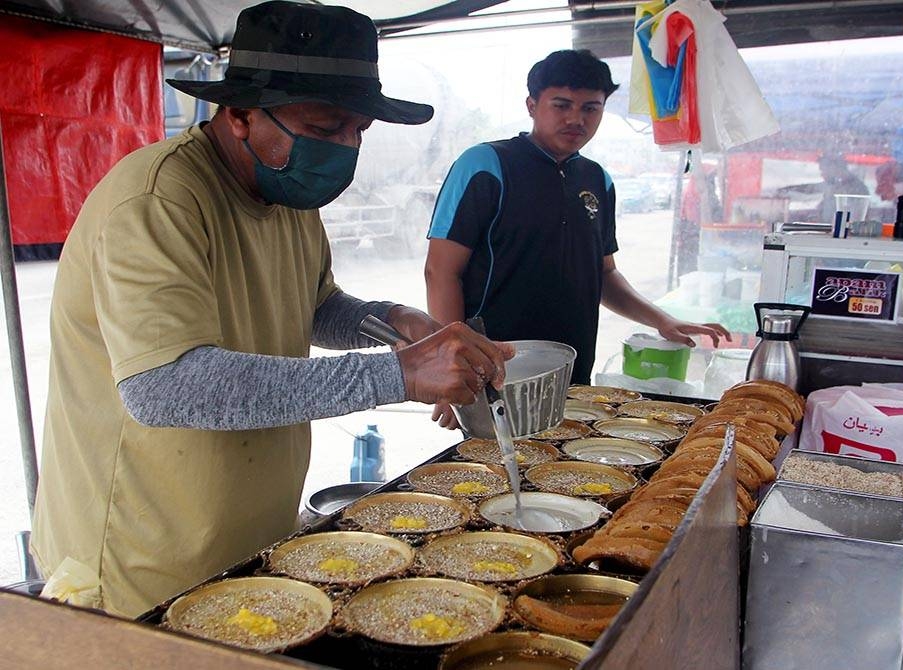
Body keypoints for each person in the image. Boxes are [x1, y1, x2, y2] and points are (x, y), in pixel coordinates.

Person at [30, 1, 512, 618]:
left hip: (246, 531)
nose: (345, 146)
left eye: (358, 130)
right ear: (238, 113)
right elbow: (164, 387)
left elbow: (315, 305)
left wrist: (397, 323)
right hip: (143, 551)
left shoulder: (285, 189)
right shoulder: (156, 202)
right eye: (324, 126)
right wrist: (399, 373)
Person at [424, 50, 729, 427]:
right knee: (494, 479)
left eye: (591, 108)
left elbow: (604, 274)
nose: (576, 119)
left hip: (573, 373)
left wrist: (661, 320)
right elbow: (440, 272)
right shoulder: (486, 165)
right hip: (495, 372)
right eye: (562, 105)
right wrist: (450, 366)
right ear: (532, 105)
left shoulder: (597, 180)